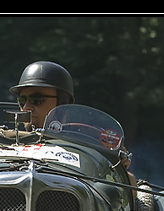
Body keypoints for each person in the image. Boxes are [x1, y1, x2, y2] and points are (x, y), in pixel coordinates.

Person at [9, 60, 138, 187]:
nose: (26, 108)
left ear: (63, 103)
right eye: (22, 100)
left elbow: (128, 184)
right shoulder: (3, 141)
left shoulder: (87, 141)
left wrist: (120, 168)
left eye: (36, 100)